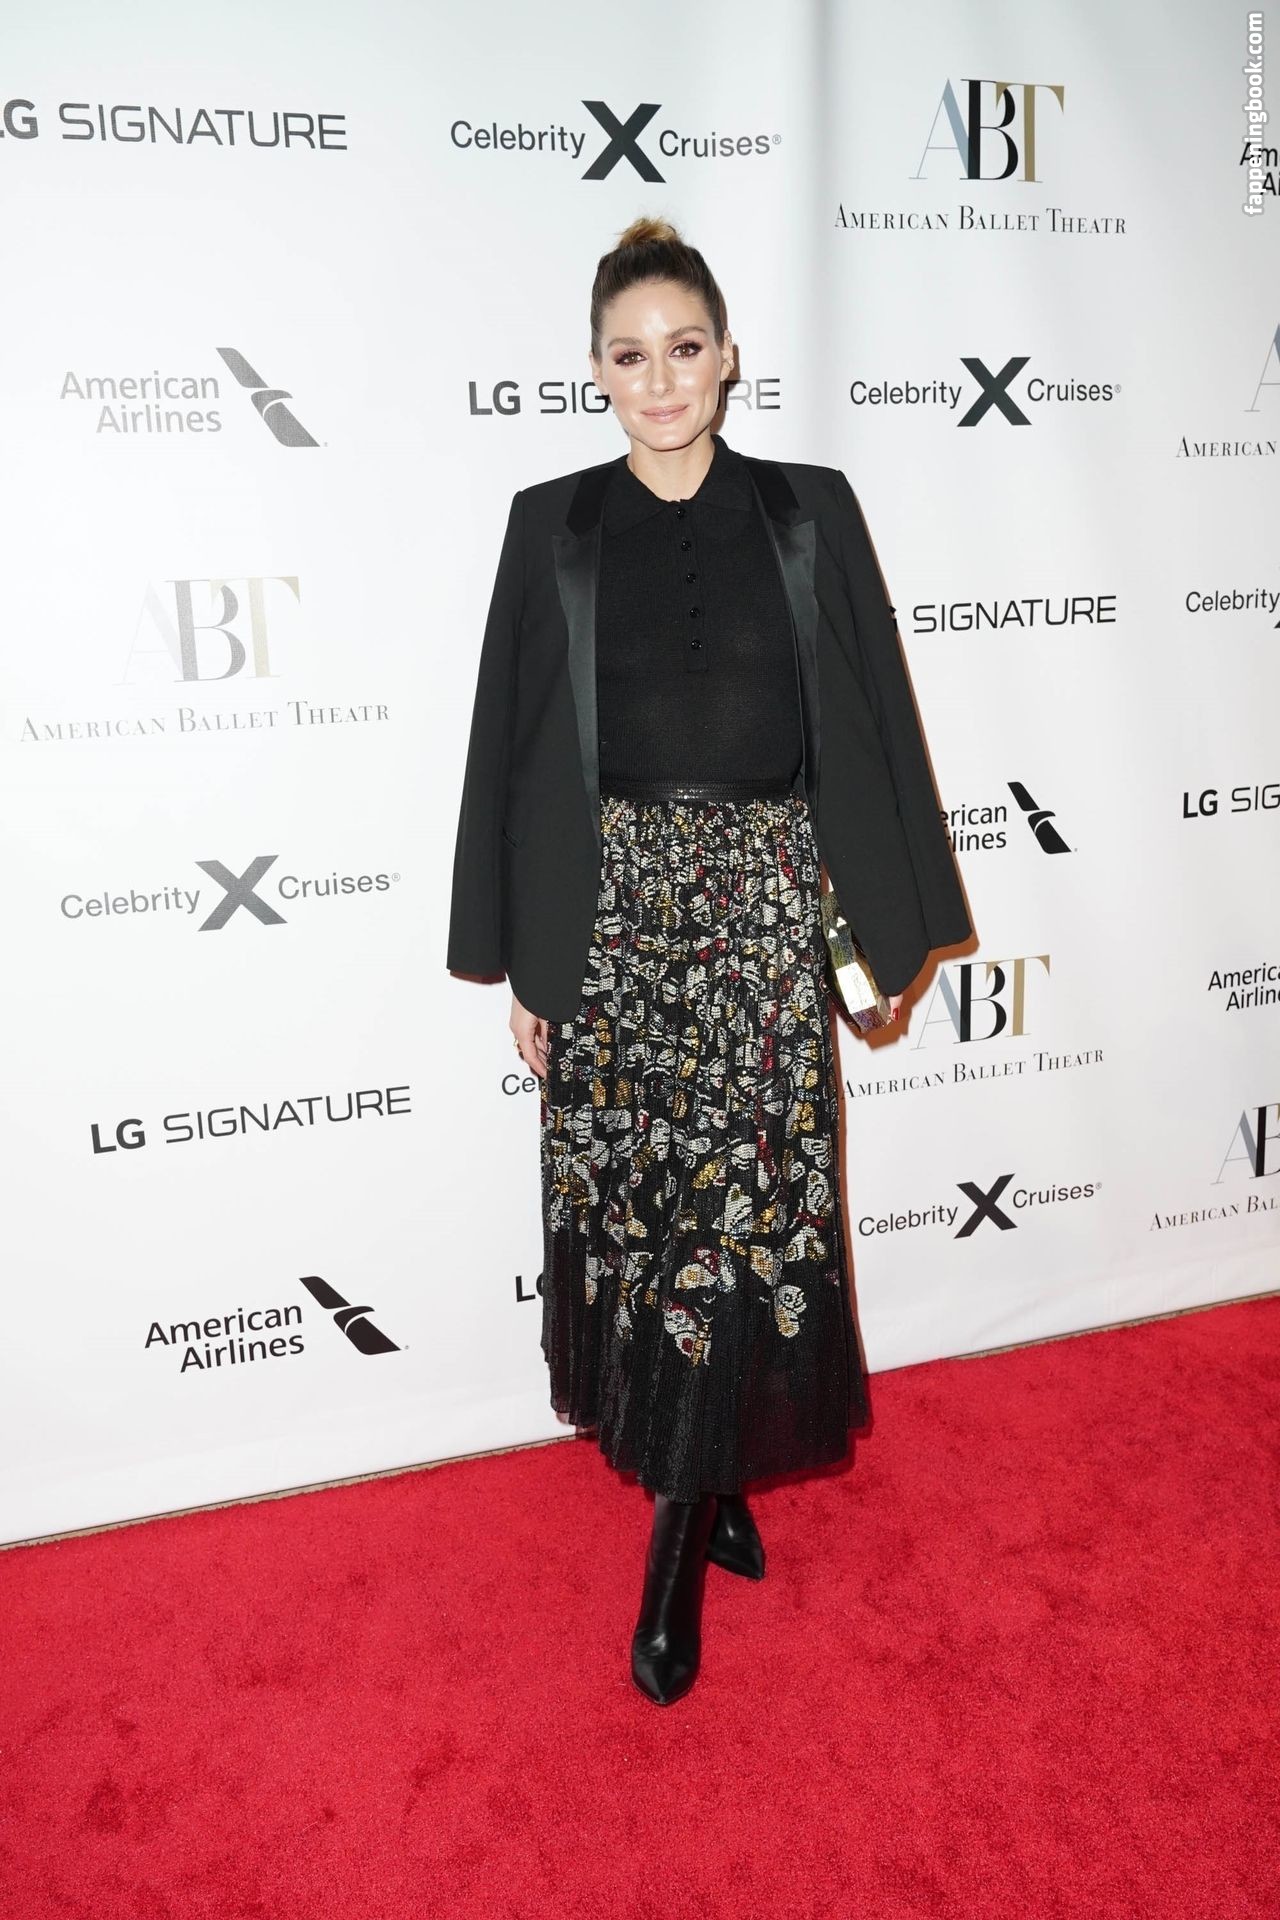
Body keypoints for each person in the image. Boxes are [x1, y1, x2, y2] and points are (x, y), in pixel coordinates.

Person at [447, 216, 971, 1705]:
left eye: (686, 348)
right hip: (613, 922)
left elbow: (872, 720)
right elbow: (511, 750)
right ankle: (712, 1480)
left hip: (759, 914)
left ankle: (679, 1534)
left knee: (742, 1217)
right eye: (631, 356)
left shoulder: (809, 510)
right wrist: (527, 963)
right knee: (648, 1222)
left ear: (730, 356)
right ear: (596, 373)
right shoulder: (550, 526)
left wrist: (885, 925)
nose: (662, 380)